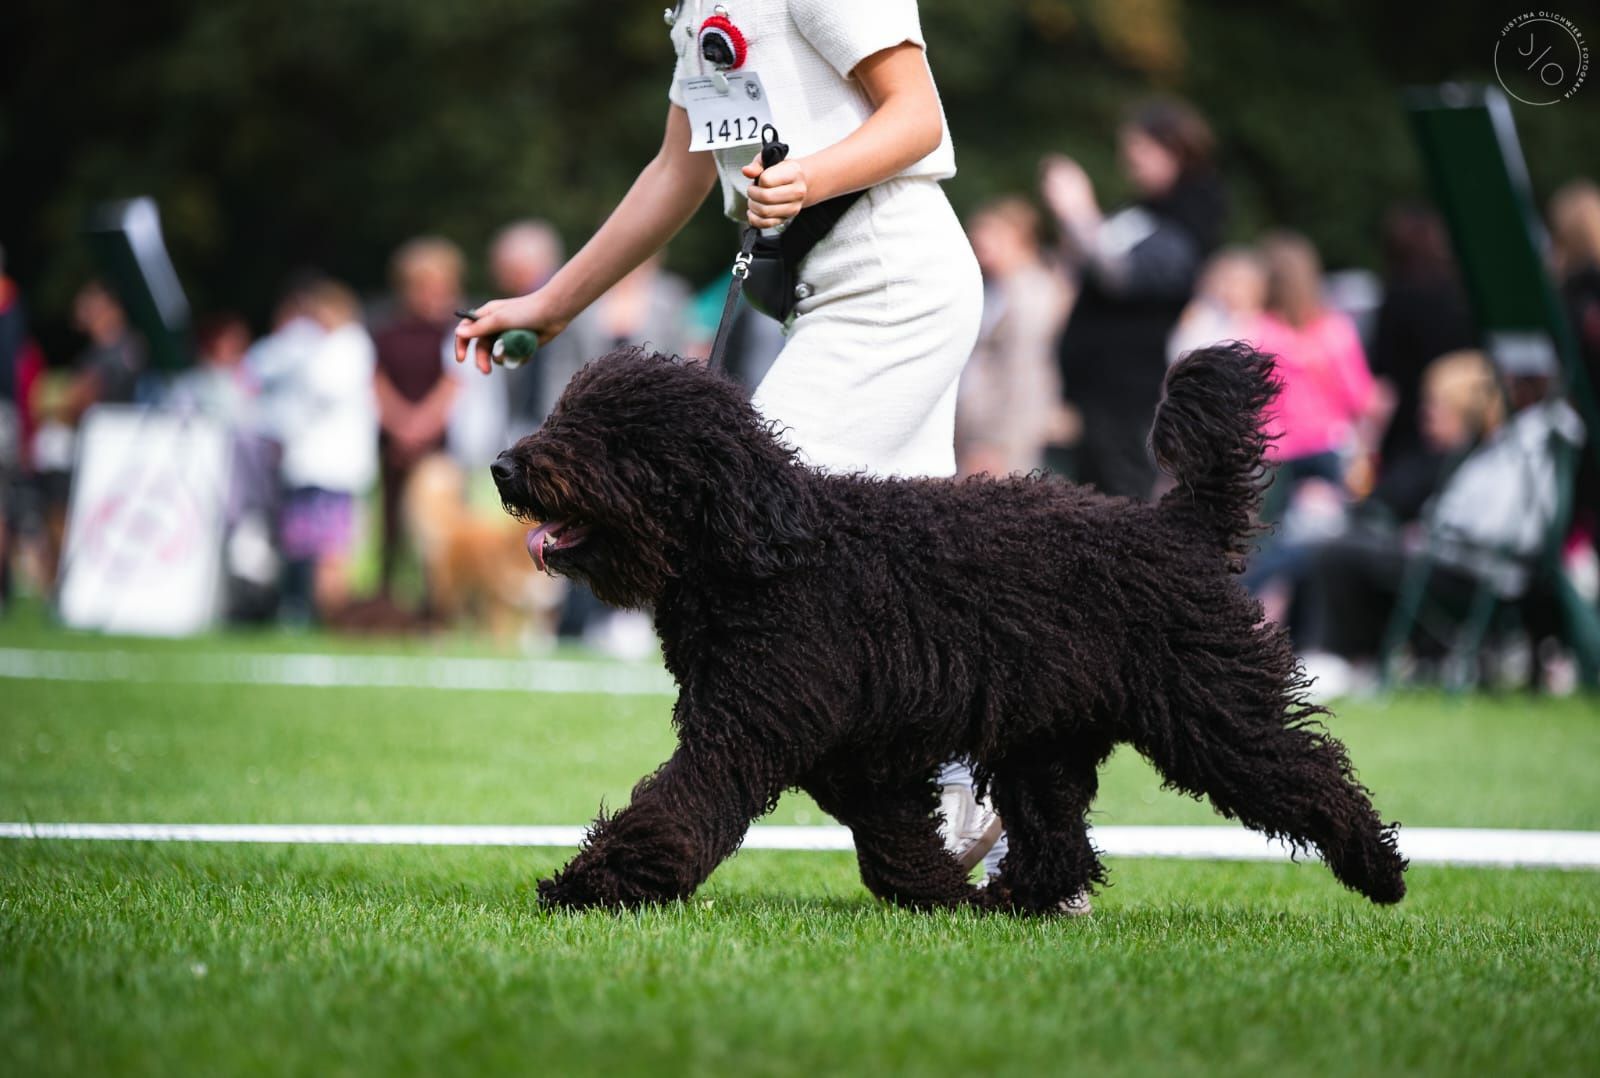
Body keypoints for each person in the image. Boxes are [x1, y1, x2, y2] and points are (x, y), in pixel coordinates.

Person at [454, 2, 1026, 892]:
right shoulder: (694, 7)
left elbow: (917, 115)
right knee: (926, 594)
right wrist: (551, 305)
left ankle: (691, 820)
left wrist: (811, 177)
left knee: (750, 545)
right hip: (827, 293)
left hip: (891, 278)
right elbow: (674, 171)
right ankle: (1019, 829)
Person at [1044, 97, 1226, 499]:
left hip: (1126, 391)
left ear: (1174, 149)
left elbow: (1122, 276)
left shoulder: (1189, 214)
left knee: (1121, 504)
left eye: (1140, 150)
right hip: (1096, 389)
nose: (1131, 162)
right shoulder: (1141, 209)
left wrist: (1077, 210)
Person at [1254, 231, 1386, 494]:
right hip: (1331, 444)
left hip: (1277, 451)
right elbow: (1360, 398)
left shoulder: (1257, 333)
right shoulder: (1335, 330)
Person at [278, 280, 379, 622]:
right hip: (313, 465)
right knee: (306, 545)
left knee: (331, 548)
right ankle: (310, 610)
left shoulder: (348, 345)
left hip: (334, 467)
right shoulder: (324, 346)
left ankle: (333, 615)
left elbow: (323, 388)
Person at [956, 196, 1073, 477]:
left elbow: (1023, 372)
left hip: (1002, 436)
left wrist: (997, 445)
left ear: (1018, 237)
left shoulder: (1030, 294)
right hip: (977, 430)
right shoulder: (999, 286)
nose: (979, 240)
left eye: (991, 233)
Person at [374, 237, 463, 598]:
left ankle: (437, 604)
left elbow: (454, 384)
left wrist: (421, 426)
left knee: (438, 529)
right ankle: (388, 599)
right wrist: (401, 426)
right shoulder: (386, 333)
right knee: (391, 524)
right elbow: (376, 382)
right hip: (393, 443)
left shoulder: (455, 333)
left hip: (437, 445)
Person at [1368, 204, 1476, 476]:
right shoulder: (1460, 293)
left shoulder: (1398, 297)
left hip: (1412, 425)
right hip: (1461, 411)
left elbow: (1383, 369)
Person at [1166, 245, 1266, 366]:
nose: (1232, 290)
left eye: (1238, 284)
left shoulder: (1261, 326)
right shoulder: (1205, 314)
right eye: (1227, 282)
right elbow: (1178, 351)